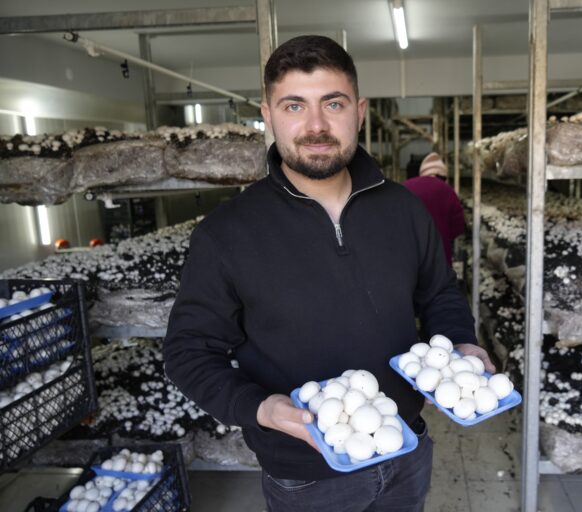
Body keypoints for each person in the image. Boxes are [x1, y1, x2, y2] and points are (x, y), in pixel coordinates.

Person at [163, 34, 493, 512]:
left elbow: (439, 293)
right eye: (294, 105)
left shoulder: (405, 210)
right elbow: (188, 352)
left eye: (332, 103)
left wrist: (461, 342)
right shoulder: (226, 233)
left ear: (358, 110)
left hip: (408, 452)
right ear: (268, 114)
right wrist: (261, 409)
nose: (316, 125)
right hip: (305, 474)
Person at [403, 153, 466, 265]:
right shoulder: (448, 191)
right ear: (443, 175)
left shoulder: (404, 187)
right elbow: (458, 227)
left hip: (409, 256)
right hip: (439, 257)